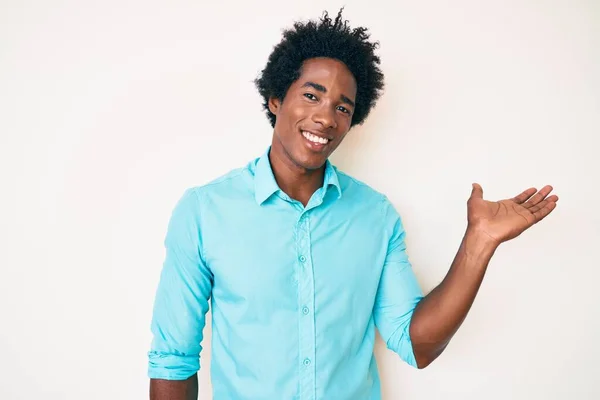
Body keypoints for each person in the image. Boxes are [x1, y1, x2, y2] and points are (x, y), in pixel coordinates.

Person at [147, 9, 558, 400]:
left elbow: (417, 345)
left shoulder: (376, 216)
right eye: (312, 95)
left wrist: (479, 243)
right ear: (275, 99)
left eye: (342, 107)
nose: (326, 118)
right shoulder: (204, 211)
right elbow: (173, 359)